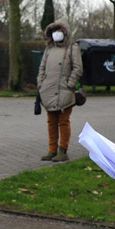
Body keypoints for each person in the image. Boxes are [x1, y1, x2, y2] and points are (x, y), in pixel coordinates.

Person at [36, 19, 82, 162]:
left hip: (65, 91)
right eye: (54, 31)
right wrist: (41, 83)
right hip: (48, 90)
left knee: (63, 121)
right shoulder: (48, 49)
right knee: (51, 122)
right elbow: (42, 67)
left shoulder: (72, 48)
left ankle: (63, 150)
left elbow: (77, 68)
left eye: (59, 31)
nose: (56, 34)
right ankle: (52, 150)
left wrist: (70, 84)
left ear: (65, 33)